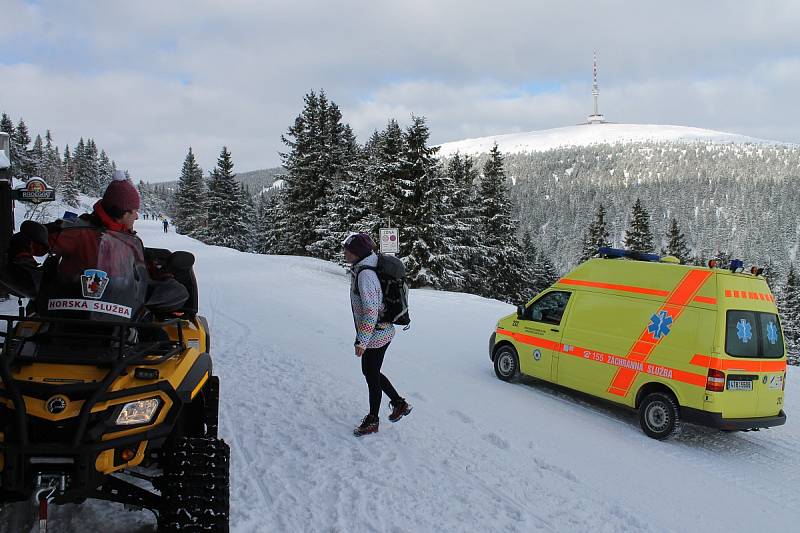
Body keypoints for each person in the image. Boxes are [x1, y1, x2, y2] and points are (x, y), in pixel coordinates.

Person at [343, 232, 411, 437]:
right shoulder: (365, 268)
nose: (345, 253)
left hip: (377, 334)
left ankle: (373, 420)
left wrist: (362, 341)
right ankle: (399, 404)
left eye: (348, 250)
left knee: (371, 376)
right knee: (372, 372)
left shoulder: (366, 275)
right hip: (381, 331)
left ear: (358, 253)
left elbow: (371, 310)